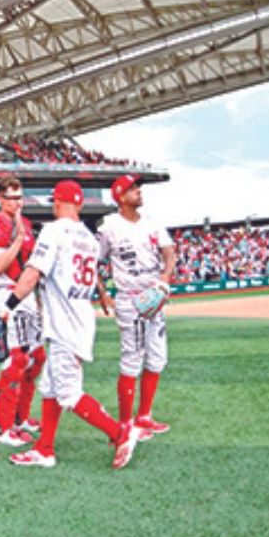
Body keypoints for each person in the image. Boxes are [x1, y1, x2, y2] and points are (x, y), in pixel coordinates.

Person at [0, 180, 142, 470]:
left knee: (68, 394)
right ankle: (44, 449)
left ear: (57, 202)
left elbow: (31, 275)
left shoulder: (53, 231)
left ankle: (119, 432)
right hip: (79, 318)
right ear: (78, 203)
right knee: (50, 388)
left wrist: (7, 307)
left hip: (65, 325)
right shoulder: (88, 238)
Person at [97, 174, 176, 436]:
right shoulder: (109, 226)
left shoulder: (153, 223)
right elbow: (94, 261)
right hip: (130, 298)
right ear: (120, 196)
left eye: (138, 187)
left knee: (156, 358)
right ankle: (125, 423)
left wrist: (164, 278)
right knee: (132, 358)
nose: (139, 191)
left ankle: (144, 416)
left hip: (154, 295)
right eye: (133, 189)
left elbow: (169, 252)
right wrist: (103, 292)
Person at [0, 175, 46, 447]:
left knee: (37, 357)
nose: (17, 203)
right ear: (0, 198)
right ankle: (3, 427)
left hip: (29, 295)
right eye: (11, 197)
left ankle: (21, 418)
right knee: (15, 361)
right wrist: (18, 240)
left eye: (20, 197)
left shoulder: (27, 225)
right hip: (7, 293)